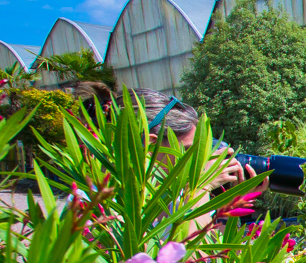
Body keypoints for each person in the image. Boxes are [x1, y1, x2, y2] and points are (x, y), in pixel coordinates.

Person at [62, 82, 250, 193]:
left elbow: (214, 257)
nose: (201, 160)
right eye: (188, 151)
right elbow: (189, 260)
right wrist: (199, 190)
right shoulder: (98, 207)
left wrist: (233, 203)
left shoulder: (168, 192)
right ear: (149, 145)